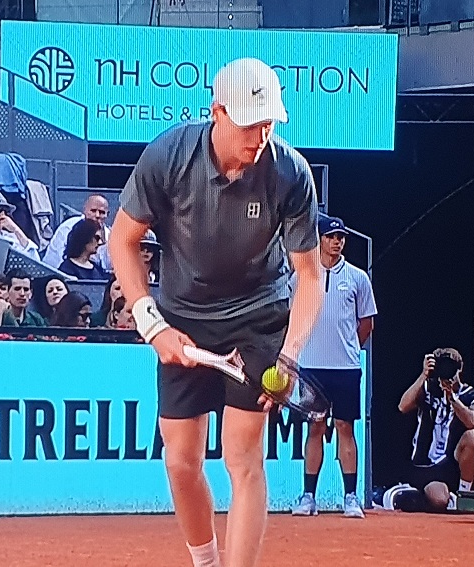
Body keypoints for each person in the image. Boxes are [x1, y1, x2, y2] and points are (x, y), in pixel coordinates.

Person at [109, 57, 322, 567]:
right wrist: (152, 325)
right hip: (182, 318)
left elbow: (310, 276)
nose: (260, 137)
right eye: (249, 124)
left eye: (268, 124)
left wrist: (289, 357)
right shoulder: (167, 156)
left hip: (259, 317)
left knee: (242, 458)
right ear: (217, 112)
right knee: (180, 461)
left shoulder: (291, 173)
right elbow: (122, 240)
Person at [291, 216, 377, 519]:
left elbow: (366, 323)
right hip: (310, 367)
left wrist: (348, 348)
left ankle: (350, 496)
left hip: (345, 368)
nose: (336, 242)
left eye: (340, 237)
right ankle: (308, 497)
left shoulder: (358, 278)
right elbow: (290, 315)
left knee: (345, 427)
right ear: (320, 239)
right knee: (315, 427)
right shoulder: (301, 276)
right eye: (330, 236)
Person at [394, 348, 474, 512]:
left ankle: (464, 496)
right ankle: (408, 494)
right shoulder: (428, 389)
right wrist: (423, 375)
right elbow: (403, 406)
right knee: (439, 500)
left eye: (450, 366)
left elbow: (473, 421)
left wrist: (452, 398)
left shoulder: (470, 394)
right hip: (425, 464)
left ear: (460, 368)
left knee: (473, 437)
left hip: (451, 463)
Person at [43, 194, 113, 269]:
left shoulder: (110, 235)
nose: (97, 215)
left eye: (102, 212)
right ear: (85, 210)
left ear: (107, 214)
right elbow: (55, 260)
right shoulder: (68, 227)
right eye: (93, 211)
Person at [0, 192, 40, 259]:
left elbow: (34, 257)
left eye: (6, 212)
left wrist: (16, 230)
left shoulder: (12, 236)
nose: (3, 214)